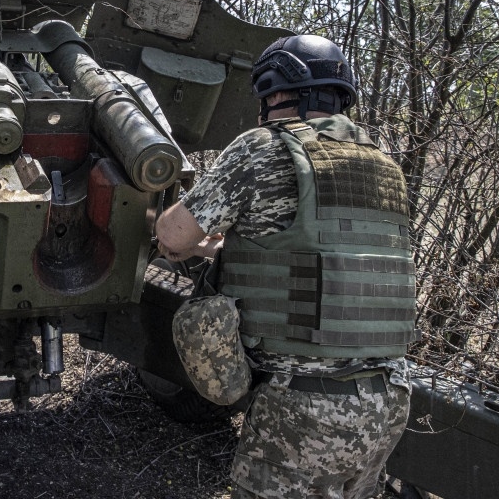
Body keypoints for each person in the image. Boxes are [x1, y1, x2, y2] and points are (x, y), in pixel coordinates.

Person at [155, 34, 417, 499]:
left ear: (275, 91)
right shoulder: (384, 166)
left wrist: (174, 235)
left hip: (306, 406)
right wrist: (227, 251)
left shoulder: (263, 147)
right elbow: (328, 259)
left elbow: (174, 236)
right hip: (389, 399)